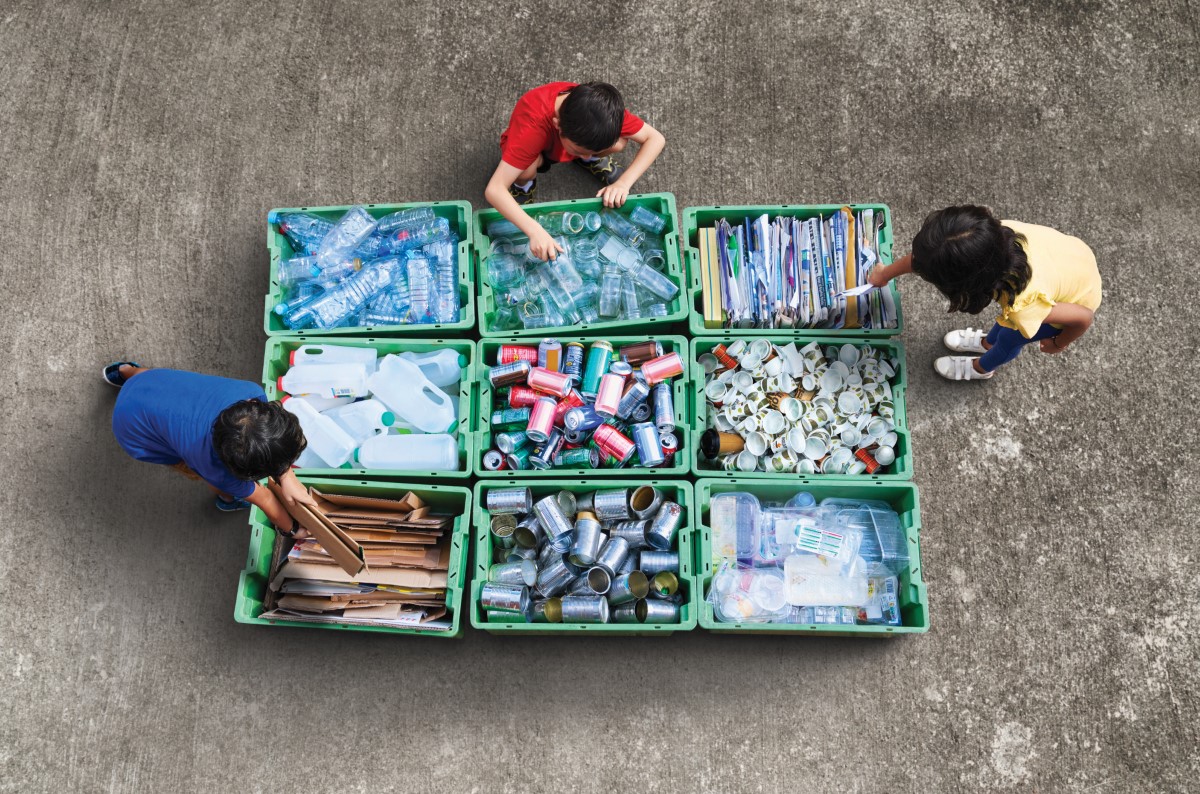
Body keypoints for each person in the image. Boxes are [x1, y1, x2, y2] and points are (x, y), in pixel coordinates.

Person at [869, 205, 1102, 381]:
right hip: (1069, 258)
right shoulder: (990, 235)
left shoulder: (1025, 307)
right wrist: (885, 274)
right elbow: (924, 260)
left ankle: (981, 368)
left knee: (1010, 340)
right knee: (1006, 325)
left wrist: (1059, 343)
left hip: (1072, 301)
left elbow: (1084, 317)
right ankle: (986, 342)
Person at [104, 362, 314, 537]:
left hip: (152, 382)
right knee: (193, 469)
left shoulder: (252, 394)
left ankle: (125, 370)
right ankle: (227, 500)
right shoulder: (214, 467)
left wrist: (288, 478)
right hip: (132, 432)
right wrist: (293, 529)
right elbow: (266, 499)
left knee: (142, 377)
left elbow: (266, 437)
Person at [483, 81, 666, 261]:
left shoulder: (601, 113)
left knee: (620, 142)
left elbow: (656, 139)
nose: (586, 152)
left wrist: (623, 183)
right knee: (525, 171)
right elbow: (495, 189)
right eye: (580, 151)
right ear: (557, 124)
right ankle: (523, 186)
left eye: (593, 151)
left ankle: (588, 158)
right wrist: (534, 229)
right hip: (535, 151)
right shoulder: (531, 129)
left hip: (569, 140)